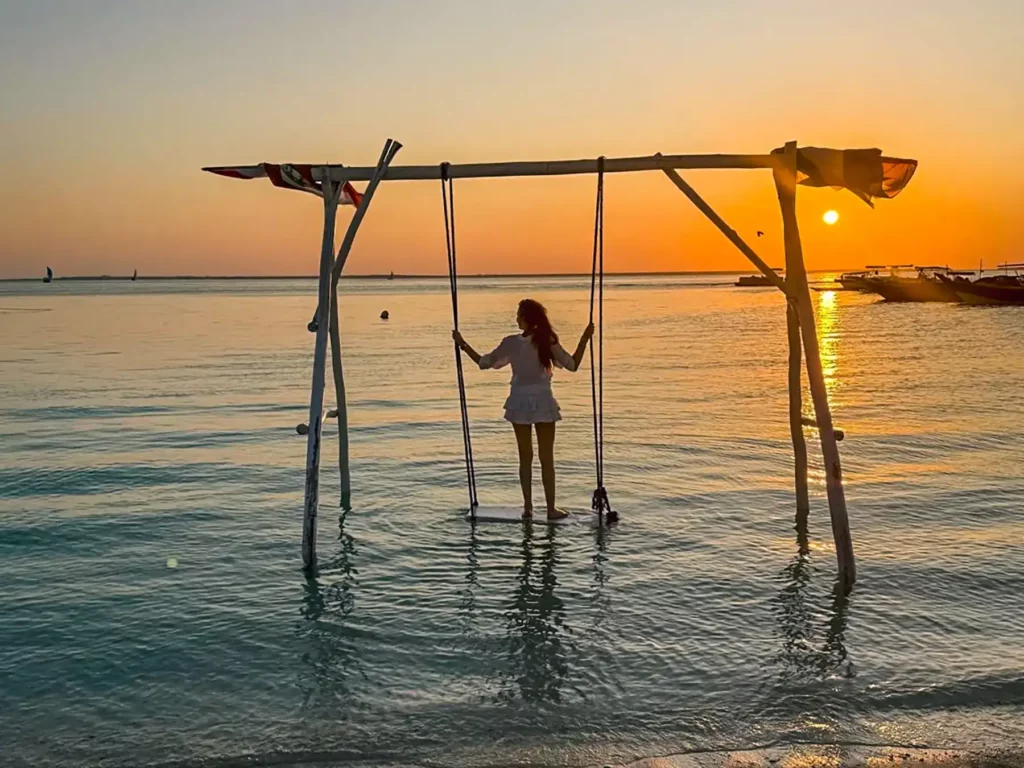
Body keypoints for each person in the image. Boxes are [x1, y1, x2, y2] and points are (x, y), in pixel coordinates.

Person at [453, 299, 593, 521]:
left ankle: (528, 508)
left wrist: (463, 344)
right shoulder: (546, 340)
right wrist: (584, 340)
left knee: (525, 457)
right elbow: (572, 365)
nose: (516, 318)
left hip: (519, 403)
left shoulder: (511, 343)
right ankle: (550, 509)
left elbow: (483, 362)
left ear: (528, 319)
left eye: (519, 315)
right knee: (547, 458)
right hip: (543, 402)